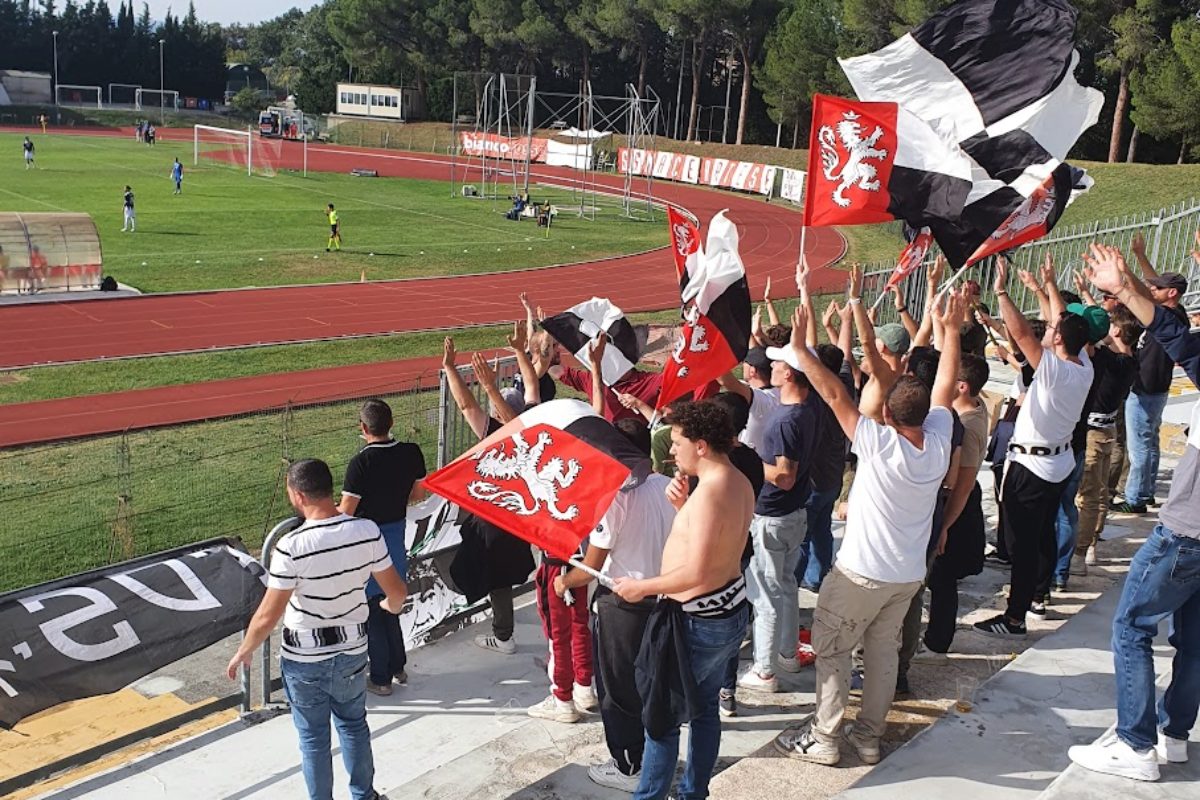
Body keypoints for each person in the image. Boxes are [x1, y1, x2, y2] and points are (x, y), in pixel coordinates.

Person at [773, 281, 961, 767]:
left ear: (889, 415)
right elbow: (943, 384)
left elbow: (836, 394)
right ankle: (869, 738)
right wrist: (951, 331)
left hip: (860, 573)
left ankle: (826, 738)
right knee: (881, 656)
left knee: (833, 653)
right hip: (905, 575)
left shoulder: (879, 445)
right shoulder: (938, 440)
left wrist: (800, 351)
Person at [1066, 242, 1200, 782]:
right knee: (1193, 642)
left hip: (1186, 531)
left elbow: (1179, 340)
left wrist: (1124, 288)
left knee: (1132, 628)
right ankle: (1173, 735)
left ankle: (1136, 743)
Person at [226, 459, 406, 800]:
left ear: (297, 495)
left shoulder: (290, 546)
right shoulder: (366, 530)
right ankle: (364, 795)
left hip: (304, 658)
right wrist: (388, 607)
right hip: (352, 650)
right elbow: (396, 592)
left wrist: (244, 650)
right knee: (354, 726)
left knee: (313, 739)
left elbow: (268, 614)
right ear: (330, 489)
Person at [613, 399, 754, 800]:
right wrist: (681, 507)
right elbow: (719, 547)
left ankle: (652, 795)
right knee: (705, 709)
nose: (672, 450)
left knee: (661, 718)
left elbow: (697, 572)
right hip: (726, 610)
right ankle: (694, 793)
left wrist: (641, 586)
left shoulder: (710, 493)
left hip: (696, 620)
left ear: (702, 445)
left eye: (677, 442)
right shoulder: (737, 481)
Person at [975, 256, 1093, 637]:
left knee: (1021, 545)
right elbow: (1059, 321)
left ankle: (1014, 618)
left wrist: (1002, 292)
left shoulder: (1054, 370)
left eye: (1056, 328)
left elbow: (1023, 332)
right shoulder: (1084, 364)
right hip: (1057, 464)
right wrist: (1050, 285)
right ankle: (1039, 594)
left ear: (1059, 338)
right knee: (1042, 534)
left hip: (1031, 469)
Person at [557, 418, 674, 791]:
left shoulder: (617, 498)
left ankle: (628, 765)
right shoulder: (670, 487)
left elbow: (590, 568)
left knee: (619, 688)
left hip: (622, 606)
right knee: (652, 685)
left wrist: (564, 579)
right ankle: (651, 755)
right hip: (664, 598)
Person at [440, 337, 536, 656]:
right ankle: (502, 630)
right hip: (518, 519)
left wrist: (457, 370)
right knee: (501, 580)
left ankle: (503, 634)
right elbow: (532, 387)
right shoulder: (540, 428)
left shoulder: (508, 433)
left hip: (495, 520)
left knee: (482, 574)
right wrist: (521, 354)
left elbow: (468, 405)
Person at [736, 329, 816, 694]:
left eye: (779, 362)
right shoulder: (806, 410)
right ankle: (787, 654)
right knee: (784, 586)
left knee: (765, 591)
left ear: (790, 374)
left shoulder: (785, 421)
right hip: (793, 513)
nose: (773, 365)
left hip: (771, 515)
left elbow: (783, 476)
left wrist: (750, 461)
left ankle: (765, 669)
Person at [338, 399, 427, 697]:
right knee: (392, 603)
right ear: (392, 423)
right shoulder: (411, 452)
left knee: (372, 609)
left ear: (363, 428)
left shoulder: (360, 462)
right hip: (396, 537)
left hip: (365, 542)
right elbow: (417, 494)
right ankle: (397, 665)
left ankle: (380, 677)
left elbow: (347, 510)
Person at [1073, 308, 1139, 574]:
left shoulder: (1110, 361)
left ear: (1117, 332)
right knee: (1100, 492)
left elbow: (1095, 344)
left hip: (1094, 434)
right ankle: (1092, 543)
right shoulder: (1131, 359)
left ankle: (1079, 552)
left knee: (1087, 494)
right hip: (1107, 431)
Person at [1116, 270, 1189, 513]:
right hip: (1154, 386)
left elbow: (1142, 294)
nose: (1152, 292)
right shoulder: (1169, 315)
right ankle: (1145, 492)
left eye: (1158, 289)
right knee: (1150, 442)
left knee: (1140, 446)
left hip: (1147, 388)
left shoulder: (1172, 315)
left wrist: (1129, 268)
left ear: (1172, 293)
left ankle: (1135, 497)